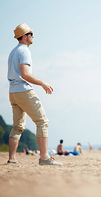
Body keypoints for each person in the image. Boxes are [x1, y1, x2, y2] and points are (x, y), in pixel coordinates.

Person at [7, 23, 62, 165]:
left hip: (12, 92)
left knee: (17, 127)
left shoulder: (13, 52)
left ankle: (12, 159)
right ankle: (44, 158)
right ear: (24, 37)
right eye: (31, 34)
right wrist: (43, 83)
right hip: (23, 91)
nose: (33, 36)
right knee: (42, 121)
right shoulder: (24, 51)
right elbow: (25, 74)